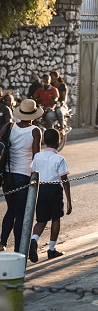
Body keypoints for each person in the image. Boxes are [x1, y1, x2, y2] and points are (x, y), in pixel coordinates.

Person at [0, 99, 42, 253]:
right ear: (33, 114)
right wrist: (36, 176)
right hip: (24, 175)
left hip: (7, 174)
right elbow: (36, 156)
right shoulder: (35, 131)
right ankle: (19, 249)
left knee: (11, 209)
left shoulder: (9, 127)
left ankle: (2, 242)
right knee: (21, 213)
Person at [28, 128, 72, 262]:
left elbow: (33, 174)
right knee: (56, 218)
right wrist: (69, 201)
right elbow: (65, 180)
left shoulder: (37, 157)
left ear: (44, 141)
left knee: (41, 220)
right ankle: (51, 249)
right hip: (54, 189)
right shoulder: (59, 158)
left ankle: (34, 240)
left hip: (41, 189)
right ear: (58, 142)